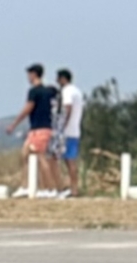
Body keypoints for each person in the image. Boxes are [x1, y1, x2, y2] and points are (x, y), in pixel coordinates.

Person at [6, 64, 59, 196]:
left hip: (39, 128)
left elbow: (28, 108)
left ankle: (49, 189)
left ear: (34, 74)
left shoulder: (34, 92)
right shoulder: (49, 91)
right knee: (25, 155)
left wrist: (14, 124)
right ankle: (25, 185)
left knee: (41, 158)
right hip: (39, 128)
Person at [56, 67, 85, 197]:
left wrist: (62, 125)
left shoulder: (67, 91)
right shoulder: (77, 91)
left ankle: (70, 188)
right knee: (71, 160)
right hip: (75, 130)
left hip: (68, 131)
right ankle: (74, 188)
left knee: (68, 161)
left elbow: (68, 108)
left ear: (63, 79)